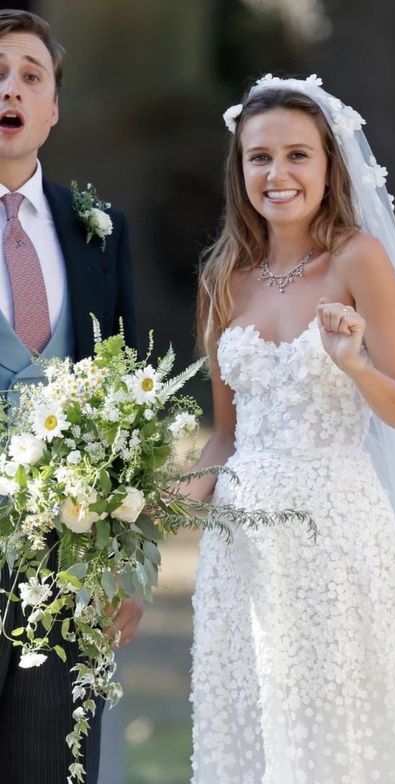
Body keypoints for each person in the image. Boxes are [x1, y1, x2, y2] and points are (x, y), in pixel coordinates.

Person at [188, 74, 395, 782]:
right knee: (252, 735)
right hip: (243, 551)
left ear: (327, 166)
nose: (277, 174)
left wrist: (355, 365)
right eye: (260, 158)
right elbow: (224, 439)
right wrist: (145, 513)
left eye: (297, 155)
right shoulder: (223, 278)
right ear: (240, 170)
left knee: (343, 738)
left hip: (338, 538)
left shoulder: (359, 260)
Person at [0, 10, 143, 783]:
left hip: (66, 547)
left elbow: (124, 401)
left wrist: (116, 565)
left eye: (30, 74)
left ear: (53, 107)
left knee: (49, 761)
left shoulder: (101, 231)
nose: (10, 88)